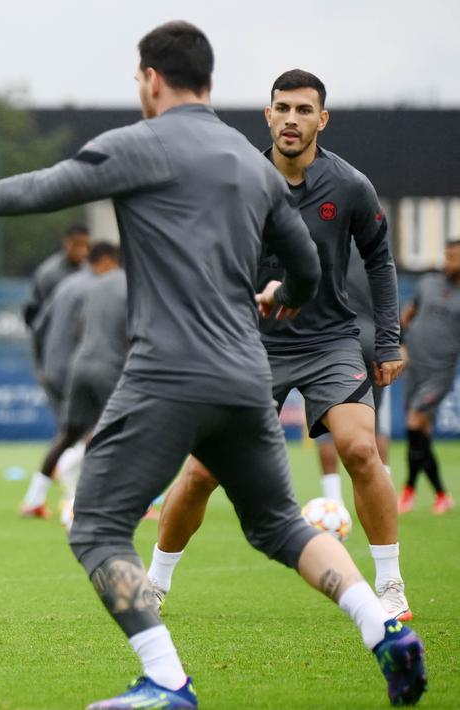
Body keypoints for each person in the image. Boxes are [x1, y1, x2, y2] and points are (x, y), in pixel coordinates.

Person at [0, 22, 425, 708]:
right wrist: (287, 300)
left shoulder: (134, 146)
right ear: (211, 83)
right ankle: (381, 627)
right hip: (243, 369)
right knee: (281, 524)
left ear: (149, 79)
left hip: (167, 374)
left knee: (94, 526)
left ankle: (166, 679)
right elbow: (306, 267)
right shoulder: (247, 164)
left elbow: (33, 191)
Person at [147, 69, 412, 622]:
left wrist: (388, 339)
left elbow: (380, 262)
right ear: (268, 115)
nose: (292, 119)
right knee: (202, 474)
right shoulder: (232, 179)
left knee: (361, 451)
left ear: (322, 119)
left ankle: (390, 584)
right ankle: (153, 584)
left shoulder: (351, 186)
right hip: (247, 346)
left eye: (303, 110)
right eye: (282, 108)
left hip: (330, 342)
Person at [47, 243, 127, 529]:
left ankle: (54, 493)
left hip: (79, 364)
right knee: (118, 429)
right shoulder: (128, 285)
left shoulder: (87, 287)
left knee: (72, 431)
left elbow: (76, 328)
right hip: (109, 367)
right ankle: (90, 498)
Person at [19, 225, 91, 518]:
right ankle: (80, 499)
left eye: (86, 246)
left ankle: (36, 499)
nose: (82, 251)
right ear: (66, 243)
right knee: (89, 428)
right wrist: (40, 364)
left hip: (77, 363)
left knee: (72, 431)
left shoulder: (85, 274)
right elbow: (36, 322)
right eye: (77, 245)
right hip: (65, 367)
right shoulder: (52, 275)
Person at [316, 241, 394, 504]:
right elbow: (387, 297)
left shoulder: (321, 244)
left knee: (325, 423)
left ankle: (334, 502)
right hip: (371, 337)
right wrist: (393, 345)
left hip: (332, 339)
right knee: (374, 424)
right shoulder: (375, 253)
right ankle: (384, 494)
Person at [398, 239, 460, 514]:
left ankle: (408, 490)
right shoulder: (427, 284)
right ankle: (441, 495)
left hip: (440, 371)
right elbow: (406, 316)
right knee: (420, 432)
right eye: (447, 256)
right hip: (415, 366)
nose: (449, 262)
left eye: (455, 257)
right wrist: (400, 345)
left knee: (415, 421)